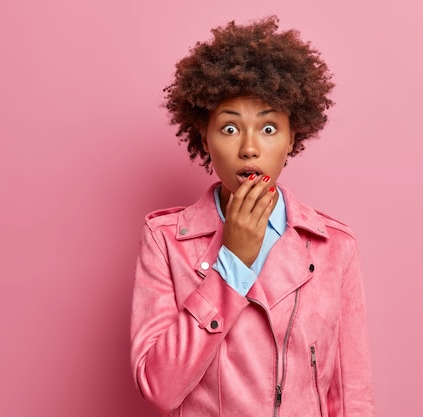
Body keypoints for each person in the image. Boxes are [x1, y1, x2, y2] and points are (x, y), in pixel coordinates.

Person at [130, 16, 374, 417]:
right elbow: (159, 389)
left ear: (292, 136)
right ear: (203, 136)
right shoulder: (165, 240)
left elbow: (350, 397)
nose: (249, 148)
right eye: (229, 128)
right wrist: (232, 264)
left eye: (268, 128)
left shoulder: (336, 246)